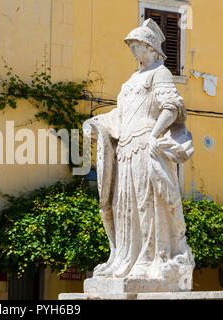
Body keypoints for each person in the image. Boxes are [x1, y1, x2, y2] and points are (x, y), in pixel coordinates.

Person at [83, 19, 195, 289]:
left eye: (136, 45)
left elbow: (170, 107)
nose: (132, 50)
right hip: (126, 150)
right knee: (125, 205)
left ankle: (149, 259)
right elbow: (120, 115)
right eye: (131, 46)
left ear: (150, 47)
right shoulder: (131, 80)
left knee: (147, 203)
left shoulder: (161, 73)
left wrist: (155, 135)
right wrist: (96, 123)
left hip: (146, 147)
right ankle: (126, 259)